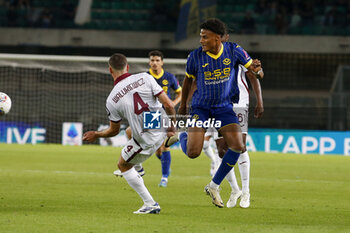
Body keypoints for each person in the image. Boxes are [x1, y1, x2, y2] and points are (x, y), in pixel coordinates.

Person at [166, 18, 263, 208]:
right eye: (201, 37)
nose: (201, 41)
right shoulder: (195, 57)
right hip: (201, 108)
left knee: (237, 146)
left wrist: (258, 71)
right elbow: (187, 82)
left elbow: (255, 70)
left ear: (217, 39)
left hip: (224, 108)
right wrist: (184, 104)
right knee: (194, 153)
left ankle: (214, 185)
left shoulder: (234, 50)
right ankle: (183, 136)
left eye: (205, 37)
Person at [83, 53, 176, 214]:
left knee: (123, 164)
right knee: (129, 131)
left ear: (110, 70)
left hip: (147, 139)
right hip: (161, 125)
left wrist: (96, 134)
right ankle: (139, 168)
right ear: (127, 67)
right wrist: (172, 127)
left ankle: (150, 203)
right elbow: (168, 104)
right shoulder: (145, 77)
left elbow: (113, 131)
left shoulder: (112, 99)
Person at [114, 50, 182, 188]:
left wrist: (173, 103)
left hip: (162, 113)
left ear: (162, 62)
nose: (154, 63)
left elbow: (180, 93)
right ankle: (142, 166)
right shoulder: (144, 77)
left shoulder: (169, 77)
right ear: (149, 62)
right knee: (130, 133)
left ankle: (164, 177)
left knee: (163, 147)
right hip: (148, 114)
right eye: (152, 60)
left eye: (157, 60)